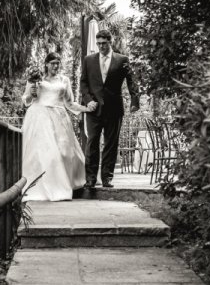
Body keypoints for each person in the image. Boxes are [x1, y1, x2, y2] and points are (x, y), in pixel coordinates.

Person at [21, 52, 93, 201]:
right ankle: (43, 186)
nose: (56, 66)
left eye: (58, 63)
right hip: (39, 118)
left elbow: (69, 103)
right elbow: (26, 100)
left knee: (65, 152)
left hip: (59, 118)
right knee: (43, 154)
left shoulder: (64, 80)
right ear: (46, 64)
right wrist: (32, 94)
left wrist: (85, 109)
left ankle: (67, 181)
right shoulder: (36, 78)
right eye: (53, 63)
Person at [80, 29, 140, 188]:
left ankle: (107, 178)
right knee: (92, 143)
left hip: (114, 109)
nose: (101, 46)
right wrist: (88, 101)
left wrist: (135, 101)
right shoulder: (88, 60)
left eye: (104, 43)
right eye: (98, 43)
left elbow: (131, 81)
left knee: (111, 144)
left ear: (110, 42)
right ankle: (91, 179)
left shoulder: (122, 60)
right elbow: (83, 83)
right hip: (93, 109)